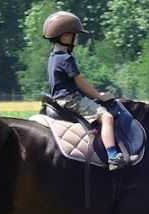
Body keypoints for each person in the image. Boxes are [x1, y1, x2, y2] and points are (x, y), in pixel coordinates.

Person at [42, 11, 126, 171]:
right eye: (75, 35)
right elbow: (81, 85)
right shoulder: (66, 59)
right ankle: (113, 156)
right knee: (107, 117)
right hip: (71, 99)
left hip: (61, 98)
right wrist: (100, 96)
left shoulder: (54, 57)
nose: (77, 39)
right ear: (66, 37)